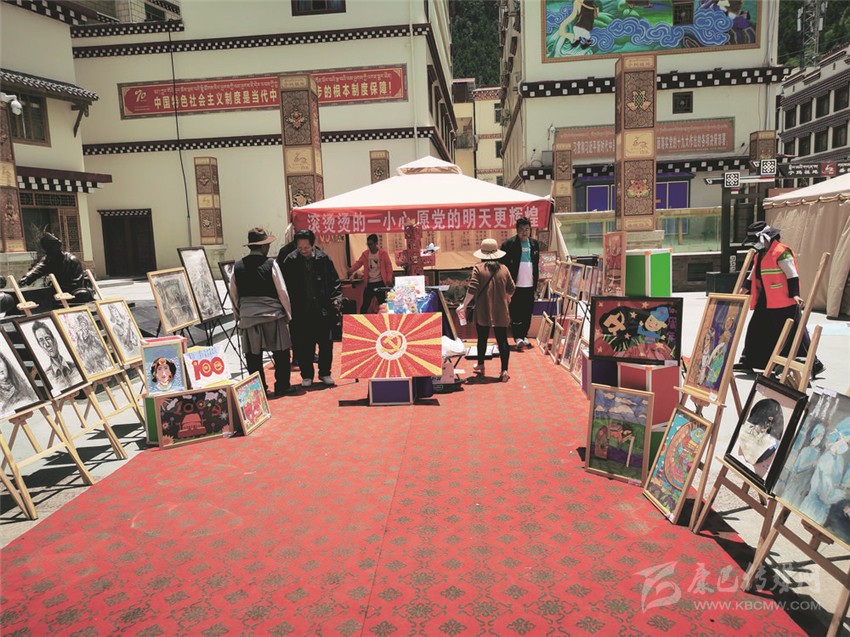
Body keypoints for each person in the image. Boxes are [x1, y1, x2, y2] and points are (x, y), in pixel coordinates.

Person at [734, 222, 825, 376]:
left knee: (792, 333)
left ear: (765, 238)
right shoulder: (759, 255)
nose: (754, 245)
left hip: (783, 300)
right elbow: (753, 274)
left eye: (755, 241)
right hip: (765, 299)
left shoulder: (782, 252)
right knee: (757, 328)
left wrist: (795, 294)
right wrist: (744, 288)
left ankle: (813, 363)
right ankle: (750, 360)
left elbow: (792, 275)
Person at [230, 227, 296, 397]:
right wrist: (287, 314)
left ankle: (258, 390)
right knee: (281, 353)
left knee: (253, 356)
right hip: (272, 315)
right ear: (264, 246)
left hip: (249, 317)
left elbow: (234, 294)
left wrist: (239, 315)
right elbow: (282, 291)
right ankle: (282, 385)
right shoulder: (271, 264)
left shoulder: (237, 267)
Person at [280, 229, 343, 387]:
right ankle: (307, 375)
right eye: (300, 248)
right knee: (304, 344)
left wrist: (336, 299)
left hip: (322, 308)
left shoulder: (323, 258)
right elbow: (284, 286)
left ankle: (325, 373)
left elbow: (335, 281)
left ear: (313, 244)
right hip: (300, 310)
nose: (303, 251)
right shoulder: (290, 260)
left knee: (325, 343)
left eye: (306, 248)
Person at [457, 238, 516, 382]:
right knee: (502, 340)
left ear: (482, 254)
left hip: (483, 309)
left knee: (482, 338)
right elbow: (511, 288)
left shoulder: (478, 268)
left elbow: (472, 289)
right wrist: (507, 298)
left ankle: (481, 364)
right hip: (501, 310)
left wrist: (464, 305)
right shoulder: (504, 269)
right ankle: (504, 371)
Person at [18, 233, 92, 305]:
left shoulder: (72, 260)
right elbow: (39, 268)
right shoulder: (49, 260)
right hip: (56, 289)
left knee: (82, 294)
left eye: (51, 248)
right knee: (41, 294)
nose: (49, 252)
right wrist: (27, 278)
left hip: (73, 289)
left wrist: (63, 288)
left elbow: (77, 282)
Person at [500, 217, 539, 350]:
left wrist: (537, 284)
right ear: (517, 230)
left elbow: (536, 265)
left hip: (530, 285)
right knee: (516, 312)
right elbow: (503, 266)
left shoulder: (534, 244)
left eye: (527, 229)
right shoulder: (509, 244)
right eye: (521, 229)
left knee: (527, 312)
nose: (524, 232)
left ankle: (524, 335)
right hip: (515, 286)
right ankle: (517, 337)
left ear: (530, 230)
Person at [347, 234, 393, 313]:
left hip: (380, 283)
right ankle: (361, 319)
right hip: (369, 283)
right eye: (368, 244)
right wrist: (351, 270)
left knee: (383, 304)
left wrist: (389, 279)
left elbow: (389, 267)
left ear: (376, 243)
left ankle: (385, 318)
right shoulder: (365, 254)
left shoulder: (383, 254)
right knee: (364, 305)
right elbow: (359, 263)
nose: (369, 246)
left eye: (371, 244)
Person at [31, 319, 83, 389]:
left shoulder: (76, 367)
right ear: (40, 346)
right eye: (41, 341)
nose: (47, 344)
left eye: (47, 338)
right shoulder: (48, 377)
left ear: (54, 341)